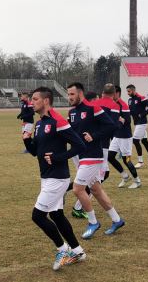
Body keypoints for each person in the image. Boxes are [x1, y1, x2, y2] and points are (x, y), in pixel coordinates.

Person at [23, 86, 87, 271]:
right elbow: (36, 152)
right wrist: (27, 140)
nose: (31, 102)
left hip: (57, 178)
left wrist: (58, 157)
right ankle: (78, 251)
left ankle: (63, 249)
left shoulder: (58, 120)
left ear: (46, 101)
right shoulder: (39, 123)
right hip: (46, 176)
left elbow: (79, 145)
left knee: (38, 216)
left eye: (35, 99)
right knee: (57, 215)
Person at [67, 83, 125, 239]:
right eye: (68, 94)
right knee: (96, 190)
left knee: (78, 189)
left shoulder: (93, 108)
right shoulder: (72, 112)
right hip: (81, 156)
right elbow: (69, 133)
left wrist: (94, 136)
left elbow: (111, 126)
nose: (69, 97)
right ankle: (117, 220)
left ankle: (93, 222)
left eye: (72, 94)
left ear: (80, 93)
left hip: (93, 155)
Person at [108, 86, 141, 188]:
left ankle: (137, 181)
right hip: (116, 136)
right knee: (110, 157)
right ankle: (125, 176)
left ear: (117, 93)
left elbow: (128, 121)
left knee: (126, 160)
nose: (110, 96)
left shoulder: (123, 105)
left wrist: (119, 119)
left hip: (125, 137)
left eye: (112, 93)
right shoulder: (112, 104)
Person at [126, 84, 148, 169]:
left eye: (129, 91)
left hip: (142, 122)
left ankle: (140, 162)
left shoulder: (141, 97)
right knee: (144, 141)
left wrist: (143, 114)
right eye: (127, 91)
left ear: (133, 90)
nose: (128, 93)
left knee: (135, 141)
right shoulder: (129, 100)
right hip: (137, 123)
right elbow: (131, 111)